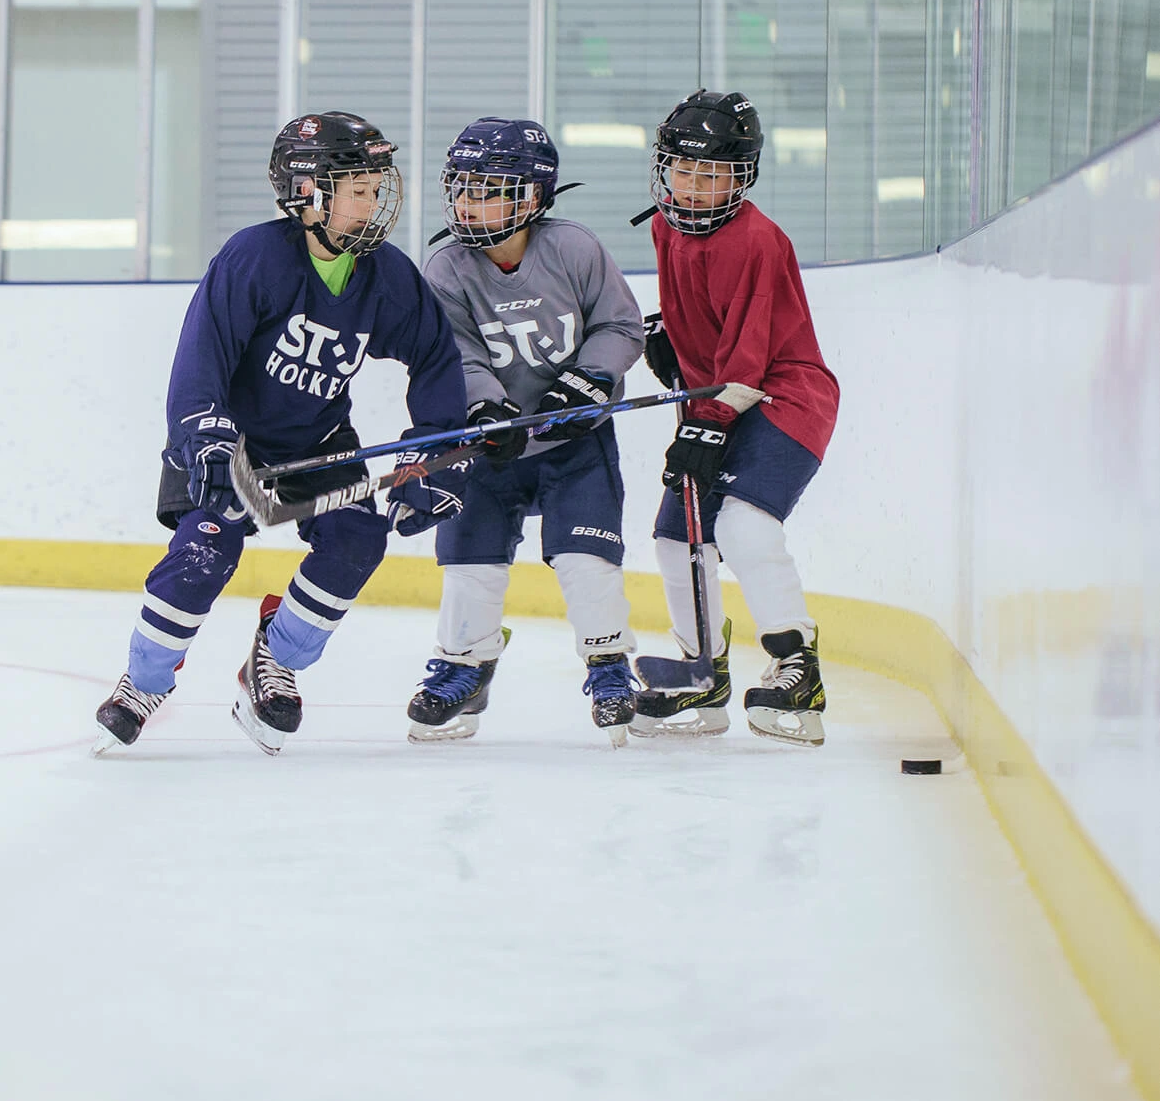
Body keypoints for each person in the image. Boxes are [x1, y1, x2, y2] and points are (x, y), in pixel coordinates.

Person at [92, 112, 469, 756]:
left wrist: (432, 456)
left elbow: (435, 357)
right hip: (228, 443)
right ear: (308, 192)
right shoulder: (254, 258)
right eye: (359, 190)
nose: (373, 204)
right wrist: (204, 438)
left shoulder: (385, 275)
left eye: (377, 189)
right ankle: (144, 682)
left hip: (320, 441)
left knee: (357, 540)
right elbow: (199, 361)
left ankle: (274, 659)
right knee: (203, 552)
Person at [407, 117, 646, 745]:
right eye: (460, 187)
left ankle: (609, 661)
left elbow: (621, 326)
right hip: (491, 448)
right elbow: (454, 355)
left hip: (575, 440)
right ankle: (465, 664)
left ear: (531, 197)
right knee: (469, 564)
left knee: (586, 559)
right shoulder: (447, 269)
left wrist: (591, 380)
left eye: (485, 188)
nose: (466, 202)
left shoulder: (573, 249)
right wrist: (486, 410)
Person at [632, 90, 840, 745]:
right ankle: (702, 672)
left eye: (710, 174)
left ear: (739, 176)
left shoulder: (756, 240)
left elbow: (749, 352)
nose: (691, 186)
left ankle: (795, 666)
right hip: (716, 402)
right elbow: (705, 322)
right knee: (674, 538)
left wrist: (710, 415)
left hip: (782, 396)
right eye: (682, 171)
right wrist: (670, 335)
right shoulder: (665, 227)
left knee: (743, 526)